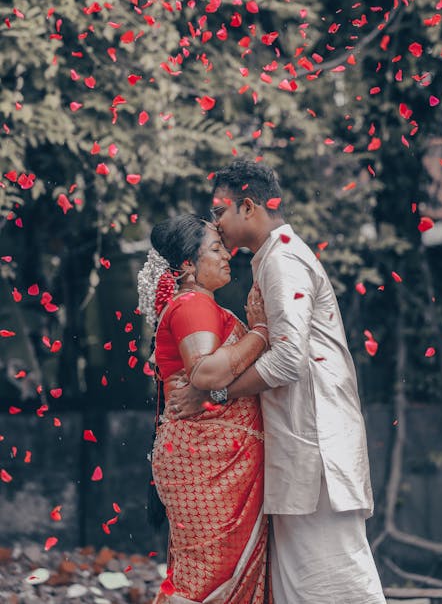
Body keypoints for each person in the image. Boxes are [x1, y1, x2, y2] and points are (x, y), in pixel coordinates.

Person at [169, 160, 386, 604]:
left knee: (333, 583)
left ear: (248, 206)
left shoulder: (283, 260)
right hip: (301, 446)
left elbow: (289, 360)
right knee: (300, 587)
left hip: (315, 449)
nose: (216, 224)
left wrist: (215, 392)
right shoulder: (273, 256)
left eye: (220, 211)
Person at [137, 214, 273, 604]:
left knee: (209, 580)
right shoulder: (192, 303)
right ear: (187, 267)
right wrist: (261, 332)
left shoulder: (198, 305)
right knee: (206, 585)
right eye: (215, 249)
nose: (227, 254)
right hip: (206, 461)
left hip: (215, 460)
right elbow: (207, 373)